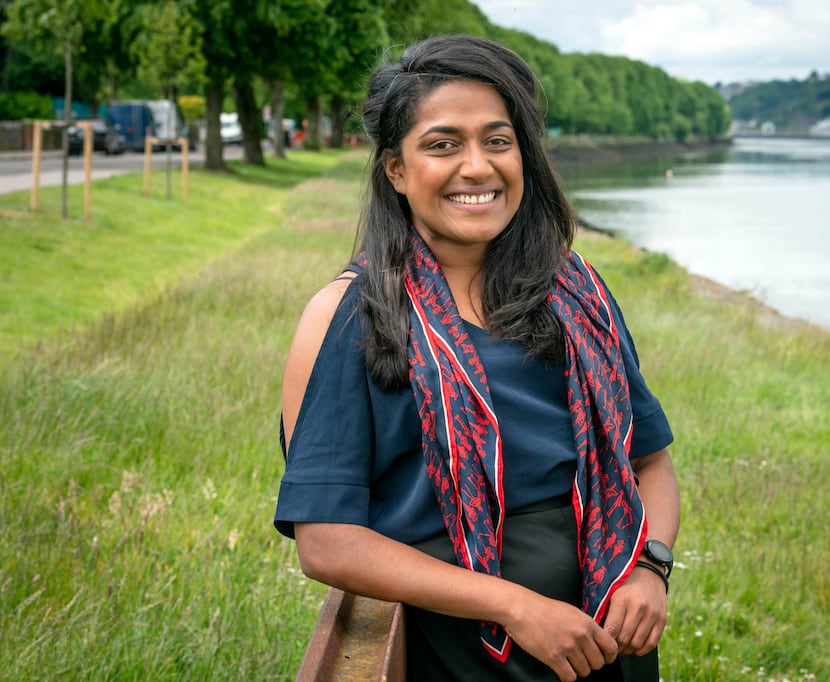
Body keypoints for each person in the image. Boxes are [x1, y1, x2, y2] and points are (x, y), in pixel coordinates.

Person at [274, 35, 680, 681]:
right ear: (395, 169)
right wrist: (516, 606)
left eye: (497, 140)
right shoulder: (350, 316)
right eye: (442, 145)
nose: (477, 167)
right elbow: (326, 541)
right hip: (465, 653)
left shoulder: (577, 293)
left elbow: (649, 461)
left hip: (610, 641)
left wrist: (649, 568)